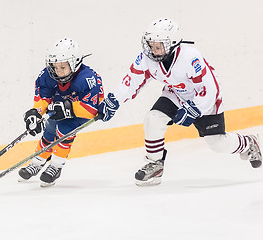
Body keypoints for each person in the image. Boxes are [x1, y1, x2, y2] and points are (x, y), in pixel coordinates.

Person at [98, 18, 262, 186]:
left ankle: (249, 143)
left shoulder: (191, 57)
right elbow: (131, 81)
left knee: (217, 144)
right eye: (151, 45)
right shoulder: (147, 59)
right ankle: (155, 164)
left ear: (173, 43)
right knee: (153, 119)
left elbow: (211, 90)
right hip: (176, 94)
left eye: (158, 46)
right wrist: (114, 99)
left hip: (203, 99)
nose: (153, 50)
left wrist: (195, 108)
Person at [19, 37, 104, 187]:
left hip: (81, 113)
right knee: (50, 130)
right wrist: (36, 112)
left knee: (64, 129)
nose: (58, 72)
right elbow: (44, 97)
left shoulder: (87, 78)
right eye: (55, 67)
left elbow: (92, 109)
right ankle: (37, 162)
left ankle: (56, 166)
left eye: (63, 67)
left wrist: (70, 108)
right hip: (59, 109)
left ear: (76, 63)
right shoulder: (47, 75)